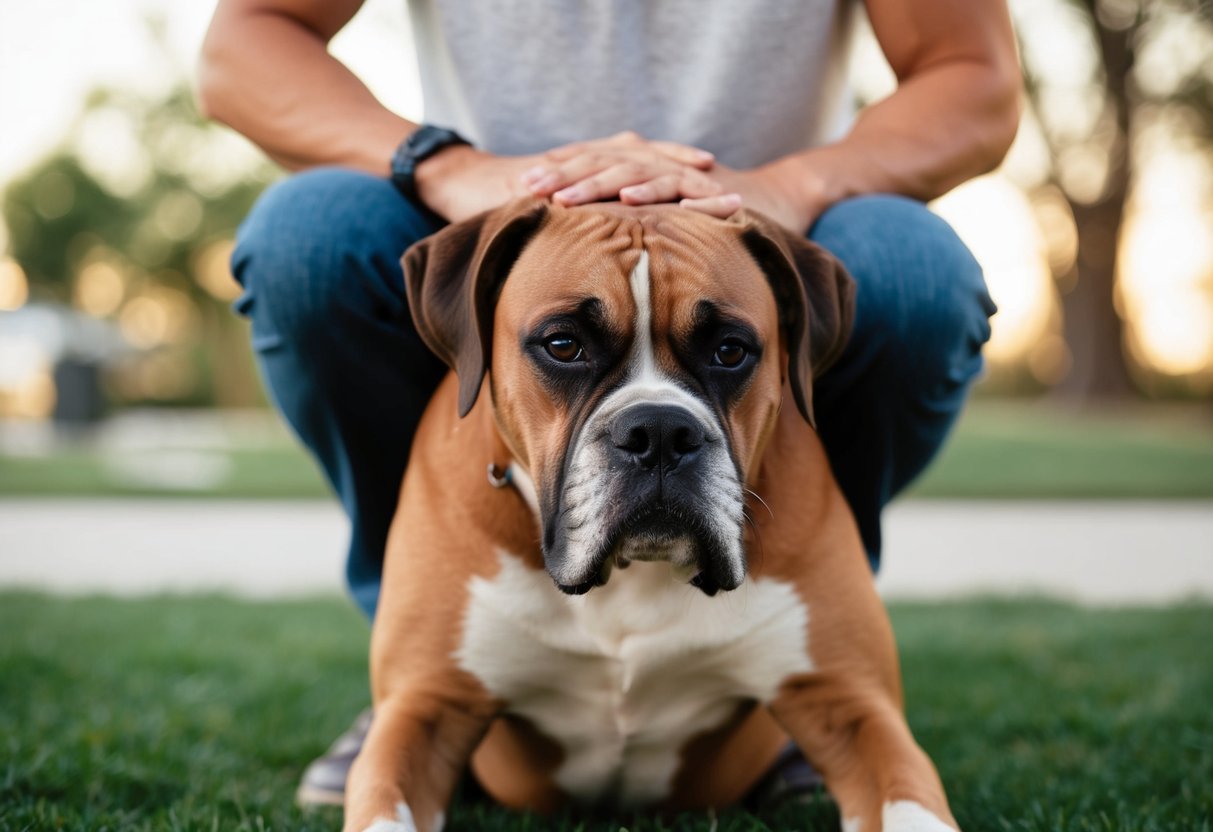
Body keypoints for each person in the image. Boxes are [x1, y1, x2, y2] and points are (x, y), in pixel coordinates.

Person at [198, 0, 1019, 808]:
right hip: (493, 222)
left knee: (913, 274)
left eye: (727, 357)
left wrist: (786, 187)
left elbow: (974, 75)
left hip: (760, 235)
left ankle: (800, 653)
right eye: (565, 350)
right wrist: (450, 168)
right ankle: (420, 660)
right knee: (306, 237)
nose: (655, 428)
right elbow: (244, 40)